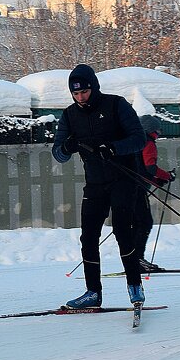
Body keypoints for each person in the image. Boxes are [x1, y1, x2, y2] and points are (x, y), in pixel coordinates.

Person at [51, 64, 148, 308]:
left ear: (94, 88)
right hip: (95, 182)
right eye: (76, 94)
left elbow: (139, 138)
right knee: (89, 236)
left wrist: (114, 147)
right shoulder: (69, 115)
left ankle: (134, 285)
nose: (81, 97)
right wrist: (66, 148)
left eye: (84, 92)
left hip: (123, 178)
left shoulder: (116, 105)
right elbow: (58, 153)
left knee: (122, 230)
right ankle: (93, 292)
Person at [133, 114, 177, 274]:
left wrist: (156, 181)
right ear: (150, 130)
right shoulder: (147, 142)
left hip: (126, 189)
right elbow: (150, 167)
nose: (158, 133)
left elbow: (139, 170)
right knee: (144, 223)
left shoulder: (133, 142)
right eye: (157, 130)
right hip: (137, 191)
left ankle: (133, 260)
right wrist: (166, 176)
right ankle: (137, 260)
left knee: (136, 224)